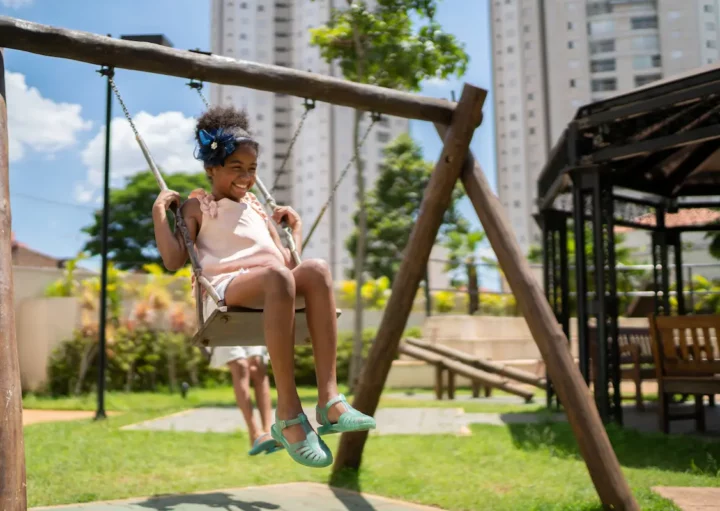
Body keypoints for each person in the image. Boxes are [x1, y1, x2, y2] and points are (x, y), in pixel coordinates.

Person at [152, 106, 376, 468]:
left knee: (316, 269)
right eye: (236, 168)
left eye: (252, 169)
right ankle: (288, 415)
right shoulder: (198, 205)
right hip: (225, 288)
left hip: (273, 284)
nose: (246, 176)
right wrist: (160, 215)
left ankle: (329, 401)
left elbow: (290, 268)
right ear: (212, 169)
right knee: (277, 278)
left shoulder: (257, 207)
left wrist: (295, 231)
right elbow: (175, 260)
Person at [208, 345, 281, 456]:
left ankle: (268, 432)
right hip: (224, 329)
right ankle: (255, 433)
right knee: (240, 365)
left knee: (257, 365)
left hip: (252, 327)